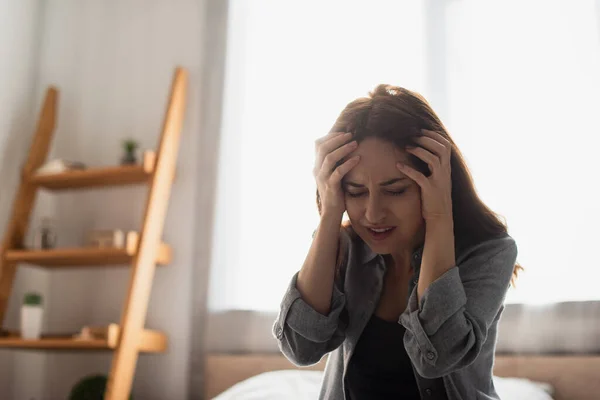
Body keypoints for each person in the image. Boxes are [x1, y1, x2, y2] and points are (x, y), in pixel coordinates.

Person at [272, 84, 523, 400]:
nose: (373, 214)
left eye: (395, 190)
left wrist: (439, 216)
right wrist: (329, 212)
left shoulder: (490, 252)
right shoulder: (344, 246)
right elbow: (301, 348)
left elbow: (439, 356)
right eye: (356, 191)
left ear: (436, 181)